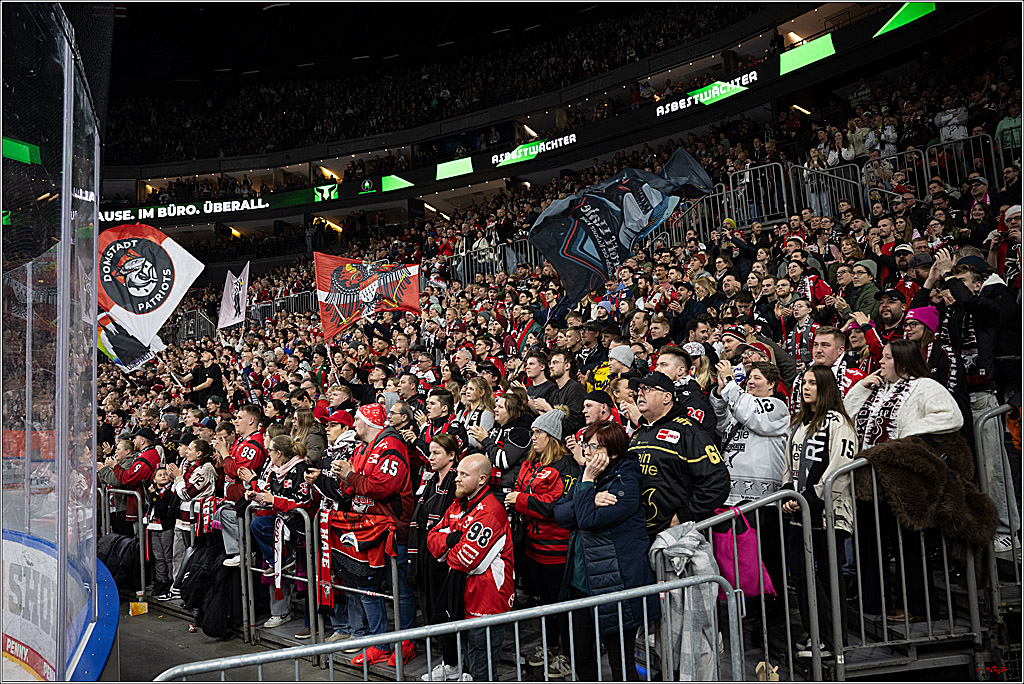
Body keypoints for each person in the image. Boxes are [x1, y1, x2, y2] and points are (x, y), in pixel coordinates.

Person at [844, 339, 964, 622]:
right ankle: (874, 602)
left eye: (886, 359)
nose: (880, 363)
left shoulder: (926, 386)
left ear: (904, 362)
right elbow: (846, 415)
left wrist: (904, 436)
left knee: (910, 544)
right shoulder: (878, 389)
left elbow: (951, 416)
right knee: (869, 541)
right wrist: (861, 386)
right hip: (869, 478)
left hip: (904, 479)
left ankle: (918, 608)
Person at [553, 421, 659, 682]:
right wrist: (588, 494)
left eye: (593, 446)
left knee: (621, 664)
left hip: (615, 586)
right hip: (582, 583)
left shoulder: (627, 482)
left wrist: (587, 485)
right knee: (580, 656)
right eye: (585, 444)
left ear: (612, 452)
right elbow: (558, 513)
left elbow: (588, 520)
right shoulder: (588, 478)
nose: (586, 451)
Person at [329, 403, 416, 667]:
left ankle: (407, 641)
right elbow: (354, 486)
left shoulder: (391, 445)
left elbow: (381, 487)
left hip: (391, 528)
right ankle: (379, 643)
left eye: (357, 419)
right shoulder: (365, 448)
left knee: (399, 588)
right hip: (367, 527)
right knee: (367, 585)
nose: (353, 424)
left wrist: (350, 476)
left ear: (369, 422)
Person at [781, 366, 859, 659]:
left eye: (813, 383)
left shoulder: (838, 422)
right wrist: (789, 491)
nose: (806, 387)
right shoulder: (799, 422)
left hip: (829, 514)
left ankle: (833, 639)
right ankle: (815, 633)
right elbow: (789, 463)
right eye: (804, 382)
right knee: (801, 575)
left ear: (826, 387)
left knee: (828, 575)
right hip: (799, 512)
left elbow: (840, 468)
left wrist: (810, 499)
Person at [426, 453, 514, 682]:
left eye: (464, 474)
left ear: (482, 479)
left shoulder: (490, 511)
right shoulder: (458, 504)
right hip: (463, 596)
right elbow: (431, 540)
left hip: (487, 602)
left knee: (482, 669)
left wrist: (449, 542)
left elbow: (462, 560)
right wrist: (454, 540)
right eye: (458, 473)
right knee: (470, 660)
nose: (457, 478)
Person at [506, 407, 579, 679]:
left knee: (562, 605)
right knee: (545, 604)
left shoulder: (566, 466)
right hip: (532, 547)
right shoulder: (531, 462)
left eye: (538, 432)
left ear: (551, 436)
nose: (533, 437)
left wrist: (520, 501)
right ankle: (550, 648)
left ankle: (568, 654)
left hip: (556, 549)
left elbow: (557, 507)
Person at [626, 372, 730, 539]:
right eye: (639, 389)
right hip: (639, 532)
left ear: (667, 397)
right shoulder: (639, 432)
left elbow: (717, 480)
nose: (640, 393)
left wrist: (684, 516)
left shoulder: (689, 430)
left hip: (677, 535)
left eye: (647, 389)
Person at [244, 435, 313, 631]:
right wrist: (256, 496)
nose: (269, 454)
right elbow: (273, 496)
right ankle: (279, 560)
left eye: (271, 451)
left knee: (306, 578)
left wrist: (274, 501)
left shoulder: (300, 469)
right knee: (258, 524)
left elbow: (303, 502)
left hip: (301, 528)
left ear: (279, 453)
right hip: (283, 521)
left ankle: (311, 624)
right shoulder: (276, 471)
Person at [409, 434, 461, 680]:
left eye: (437, 452)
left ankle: (453, 662)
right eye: (430, 452)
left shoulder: (455, 481)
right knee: (431, 609)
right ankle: (448, 660)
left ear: (451, 455)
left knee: (444, 610)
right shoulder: (431, 480)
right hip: (425, 552)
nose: (430, 457)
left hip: (444, 557)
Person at [162, 438, 217, 599]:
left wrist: (178, 478)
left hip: (195, 521)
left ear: (199, 453)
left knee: (191, 555)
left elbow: (186, 493)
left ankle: (187, 587)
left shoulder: (205, 469)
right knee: (178, 554)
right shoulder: (188, 465)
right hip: (181, 518)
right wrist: (176, 478)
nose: (186, 452)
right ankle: (176, 587)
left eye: (190, 449)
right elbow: (178, 489)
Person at [470, 391, 533, 496]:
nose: (495, 409)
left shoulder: (520, 433)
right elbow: (490, 450)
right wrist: (481, 443)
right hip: (490, 486)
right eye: (496, 406)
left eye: (500, 407)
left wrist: (485, 440)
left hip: (507, 491)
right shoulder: (498, 429)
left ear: (511, 411)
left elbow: (503, 461)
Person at [457, 376, 496, 450]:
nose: (467, 391)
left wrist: (459, 437)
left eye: (471, 389)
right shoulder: (462, 412)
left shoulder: (486, 414)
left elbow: (481, 442)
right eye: (467, 388)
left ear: (481, 392)